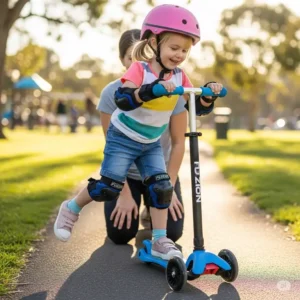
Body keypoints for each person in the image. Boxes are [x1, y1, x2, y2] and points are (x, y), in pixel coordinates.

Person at [54, 4, 223, 261]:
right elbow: (123, 98)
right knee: (109, 187)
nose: (179, 55)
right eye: (174, 48)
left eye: (185, 51)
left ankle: (159, 240)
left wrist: (208, 96)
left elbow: (193, 106)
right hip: (123, 139)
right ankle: (71, 208)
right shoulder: (140, 69)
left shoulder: (180, 77)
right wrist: (149, 91)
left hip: (151, 143)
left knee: (162, 188)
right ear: (154, 42)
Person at [97, 29, 186, 244]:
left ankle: (150, 209)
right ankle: (136, 203)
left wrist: (170, 186)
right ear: (122, 61)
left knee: (172, 233)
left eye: (145, 57)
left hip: (160, 171)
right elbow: (112, 146)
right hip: (125, 173)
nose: (140, 64)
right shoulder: (112, 93)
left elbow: (179, 142)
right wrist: (124, 194)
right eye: (132, 58)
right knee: (120, 235)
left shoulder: (171, 88)